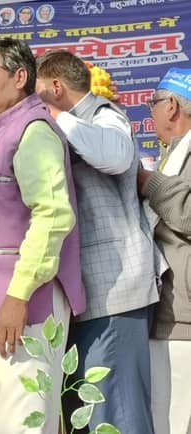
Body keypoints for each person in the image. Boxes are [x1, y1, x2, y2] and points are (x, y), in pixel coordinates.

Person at [0, 38, 85, 434]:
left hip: (26, 303)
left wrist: (17, 296)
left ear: (20, 76)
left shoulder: (33, 130)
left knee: (25, 419)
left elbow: (53, 216)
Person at [36, 50, 158, 433]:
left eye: (38, 92)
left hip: (115, 291)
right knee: (87, 414)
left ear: (56, 87)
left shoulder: (105, 115)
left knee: (117, 414)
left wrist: (55, 116)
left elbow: (117, 157)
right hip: (80, 296)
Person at [137, 67, 191, 434]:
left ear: (171, 105)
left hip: (184, 319)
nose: (151, 113)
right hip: (165, 311)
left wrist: (149, 183)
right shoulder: (172, 153)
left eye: (152, 104)